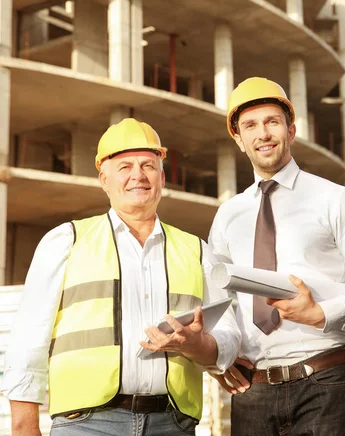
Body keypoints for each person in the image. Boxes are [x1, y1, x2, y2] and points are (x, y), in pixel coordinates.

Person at [2, 118, 241, 436]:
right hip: (86, 425)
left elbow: (229, 336)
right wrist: (23, 425)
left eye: (148, 166)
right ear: (104, 179)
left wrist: (200, 345)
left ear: (162, 177)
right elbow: (28, 338)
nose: (138, 176)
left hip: (172, 423)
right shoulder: (66, 240)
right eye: (125, 166)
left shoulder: (197, 250)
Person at [208, 76, 345, 436]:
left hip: (325, 384)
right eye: (250, 125)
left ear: (291, 131)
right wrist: (220, 356)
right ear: (238, 139)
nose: (262, 133)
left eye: (272, 122)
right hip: (253, 392)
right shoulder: (227, 216)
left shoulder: (335, 199)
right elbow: (219, 302)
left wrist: (322, 313)